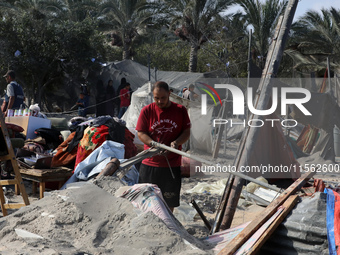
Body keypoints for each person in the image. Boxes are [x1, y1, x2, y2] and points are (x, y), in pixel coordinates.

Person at [136, 81, 191, 212]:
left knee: (168, 203)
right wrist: (152, 143)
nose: (160, 101)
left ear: (169, 94)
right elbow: (141, 132)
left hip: (171, 165)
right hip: (149, 164)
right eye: (156, 98)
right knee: (145, 202)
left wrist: (176, 142)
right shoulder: (147, 111)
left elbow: (186, 132)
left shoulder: (180, 110)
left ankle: (167, 226)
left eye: (163, 98)